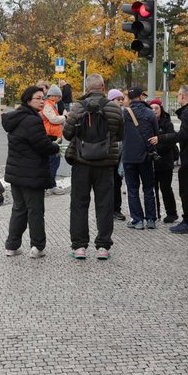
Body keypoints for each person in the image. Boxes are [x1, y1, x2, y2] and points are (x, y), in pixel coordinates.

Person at [63, 74, 124, 260]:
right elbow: (120, 135)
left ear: (87, 89)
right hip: (105, 164)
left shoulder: (78, 107)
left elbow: (67, 134)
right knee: (105, 205)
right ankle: (103, 247)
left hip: (81, 163)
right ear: (103, 88)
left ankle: (80, 247)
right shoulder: (114, 108)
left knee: (79, 205)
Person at [2, 86, 60, 258]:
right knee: (35, 210)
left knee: (19, 209)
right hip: (31, 173)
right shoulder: (32, 120)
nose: (42, 101)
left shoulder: (16, 118)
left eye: (43, 97)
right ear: (28, 100)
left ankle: (12, 246)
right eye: (38, 98)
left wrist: (46, 140)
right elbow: (42, 146)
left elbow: (28, 141)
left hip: (16, 172)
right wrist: (55, 146)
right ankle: (37, 247)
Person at [155, 85, 188, 234]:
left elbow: (183, 135)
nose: (178, 99)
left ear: (182, 96)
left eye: (178, 96)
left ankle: (187, 221)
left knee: (186, 191)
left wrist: (161, 138)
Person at [121, 87, 159, 229]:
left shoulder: (124, 114)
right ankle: (150, 219)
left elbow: (120, 134)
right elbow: (155, 132)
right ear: (141, 97)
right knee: (148, 188)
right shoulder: (149, 113)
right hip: (146, 156)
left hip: (128, 157)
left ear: (130, 99)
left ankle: (137, 220)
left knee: (132, 189)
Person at [149, 99, 179, 224]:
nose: (154, 110)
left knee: (166, 188)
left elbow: (170, 141)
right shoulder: (147, 123)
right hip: (151, 162)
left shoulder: (167, 123)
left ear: (161, 109)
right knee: (151, 188)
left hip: (165, 161)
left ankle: (171, 213)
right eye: (152, 108)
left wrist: (157, 148)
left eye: (156, 108)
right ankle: (154, 213)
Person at [41, 84, 67, 195]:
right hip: (51, 137)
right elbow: (53, 119)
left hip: (54, 136)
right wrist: (65, 117)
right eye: (58, 97)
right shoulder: (48, 105)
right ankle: (51, 186)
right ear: (54, 96)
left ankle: (50, 184)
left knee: (53, 162)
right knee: (53, 162)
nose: (59, 99)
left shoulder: (52, 105)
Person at [106, 88, 127, 221]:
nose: (120, 102)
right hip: (108, 154)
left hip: (120, 154)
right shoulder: (106, 114)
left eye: (121, 99)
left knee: (117, 183)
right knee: (108, 184)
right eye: (117, 99)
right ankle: (108, 209)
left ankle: (116, 209)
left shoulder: (125, 114)